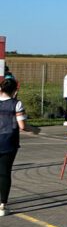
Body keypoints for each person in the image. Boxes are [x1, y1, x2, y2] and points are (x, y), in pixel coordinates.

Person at [1, 78, 40, 216]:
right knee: (5, 172)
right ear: (15, 90)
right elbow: (22, 126)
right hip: (8, 140)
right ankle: (2, 205)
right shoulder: (16, 104)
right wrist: (34, 129)